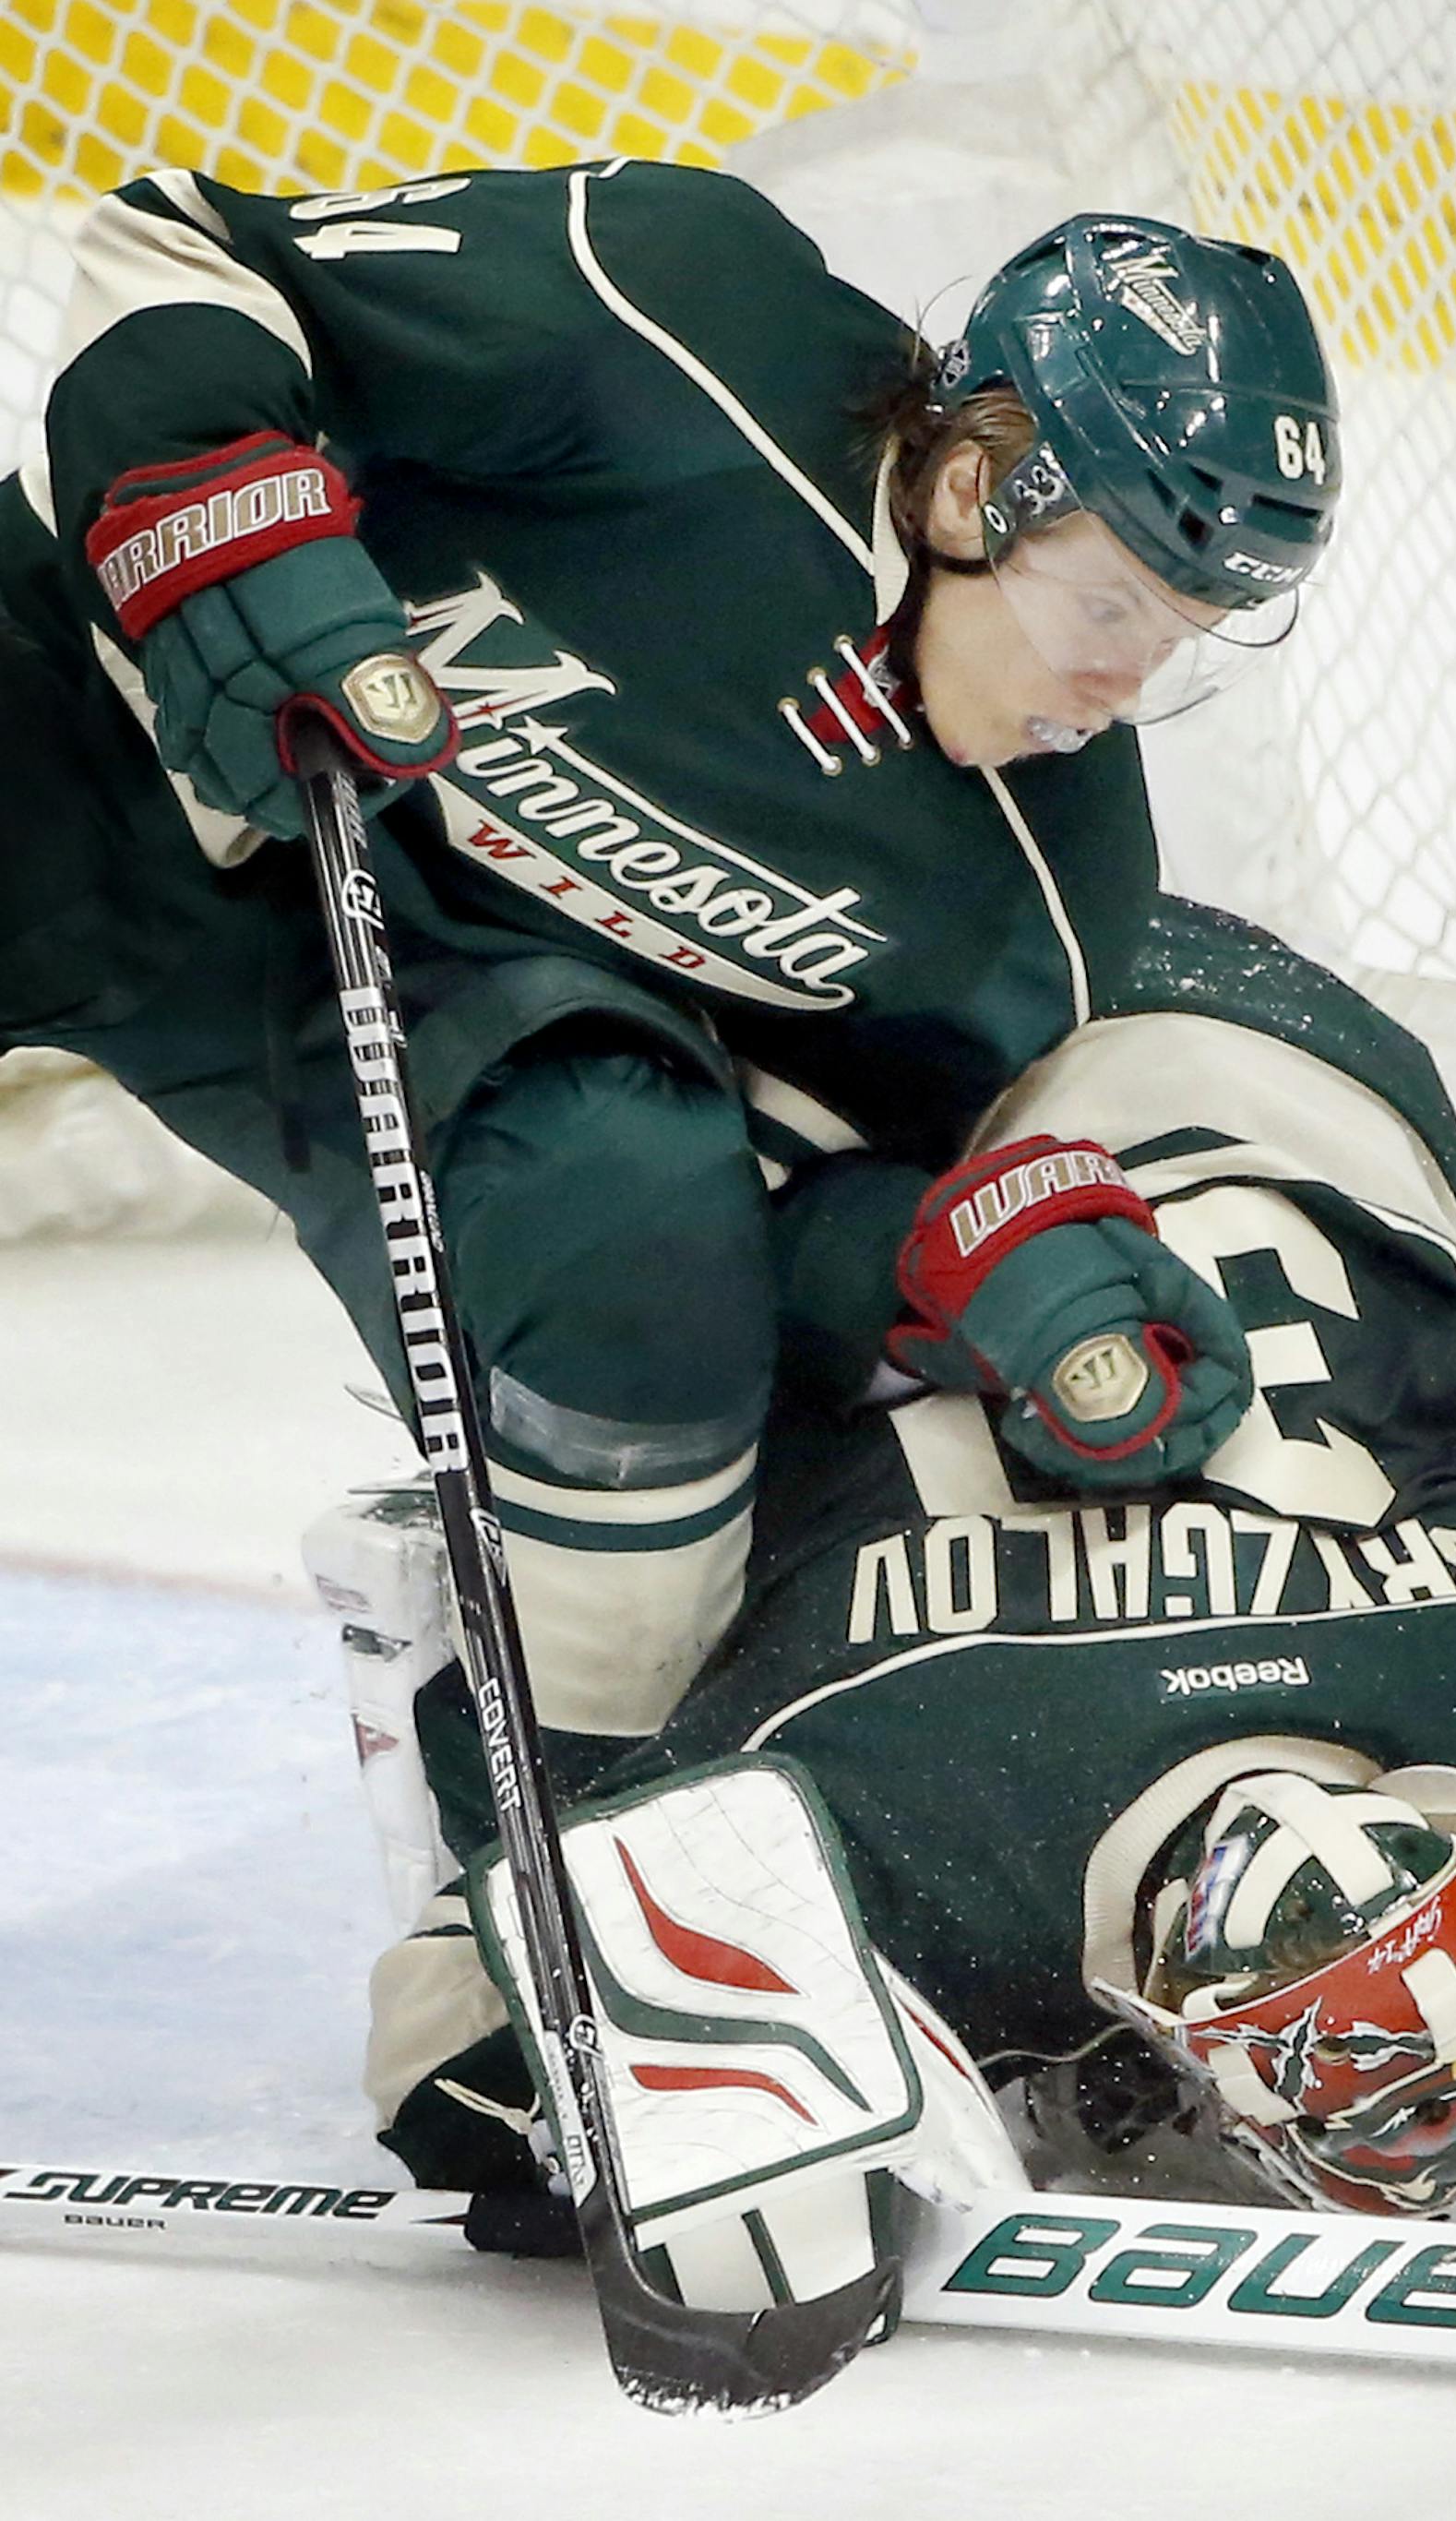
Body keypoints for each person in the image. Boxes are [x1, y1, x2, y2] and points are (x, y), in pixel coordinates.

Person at [1, 164, 1333, 1788]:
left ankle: (557, 1857)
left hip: (447, 1021)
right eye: (1110, 601)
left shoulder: (1033, 905)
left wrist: (946, 1268)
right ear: (975, 483)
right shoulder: (677, 315)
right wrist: (203, 499)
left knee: (641, 1229)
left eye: (1179, 631)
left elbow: (798, 1191)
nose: (1124, 686)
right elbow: (190, 254)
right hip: (100, 730)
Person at [340, 896, 1456, 2223]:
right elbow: (446, 2027)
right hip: (893, 1081)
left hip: (1288, 1067)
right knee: (598, 1617)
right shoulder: (901, 1833)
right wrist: (628, 2102)